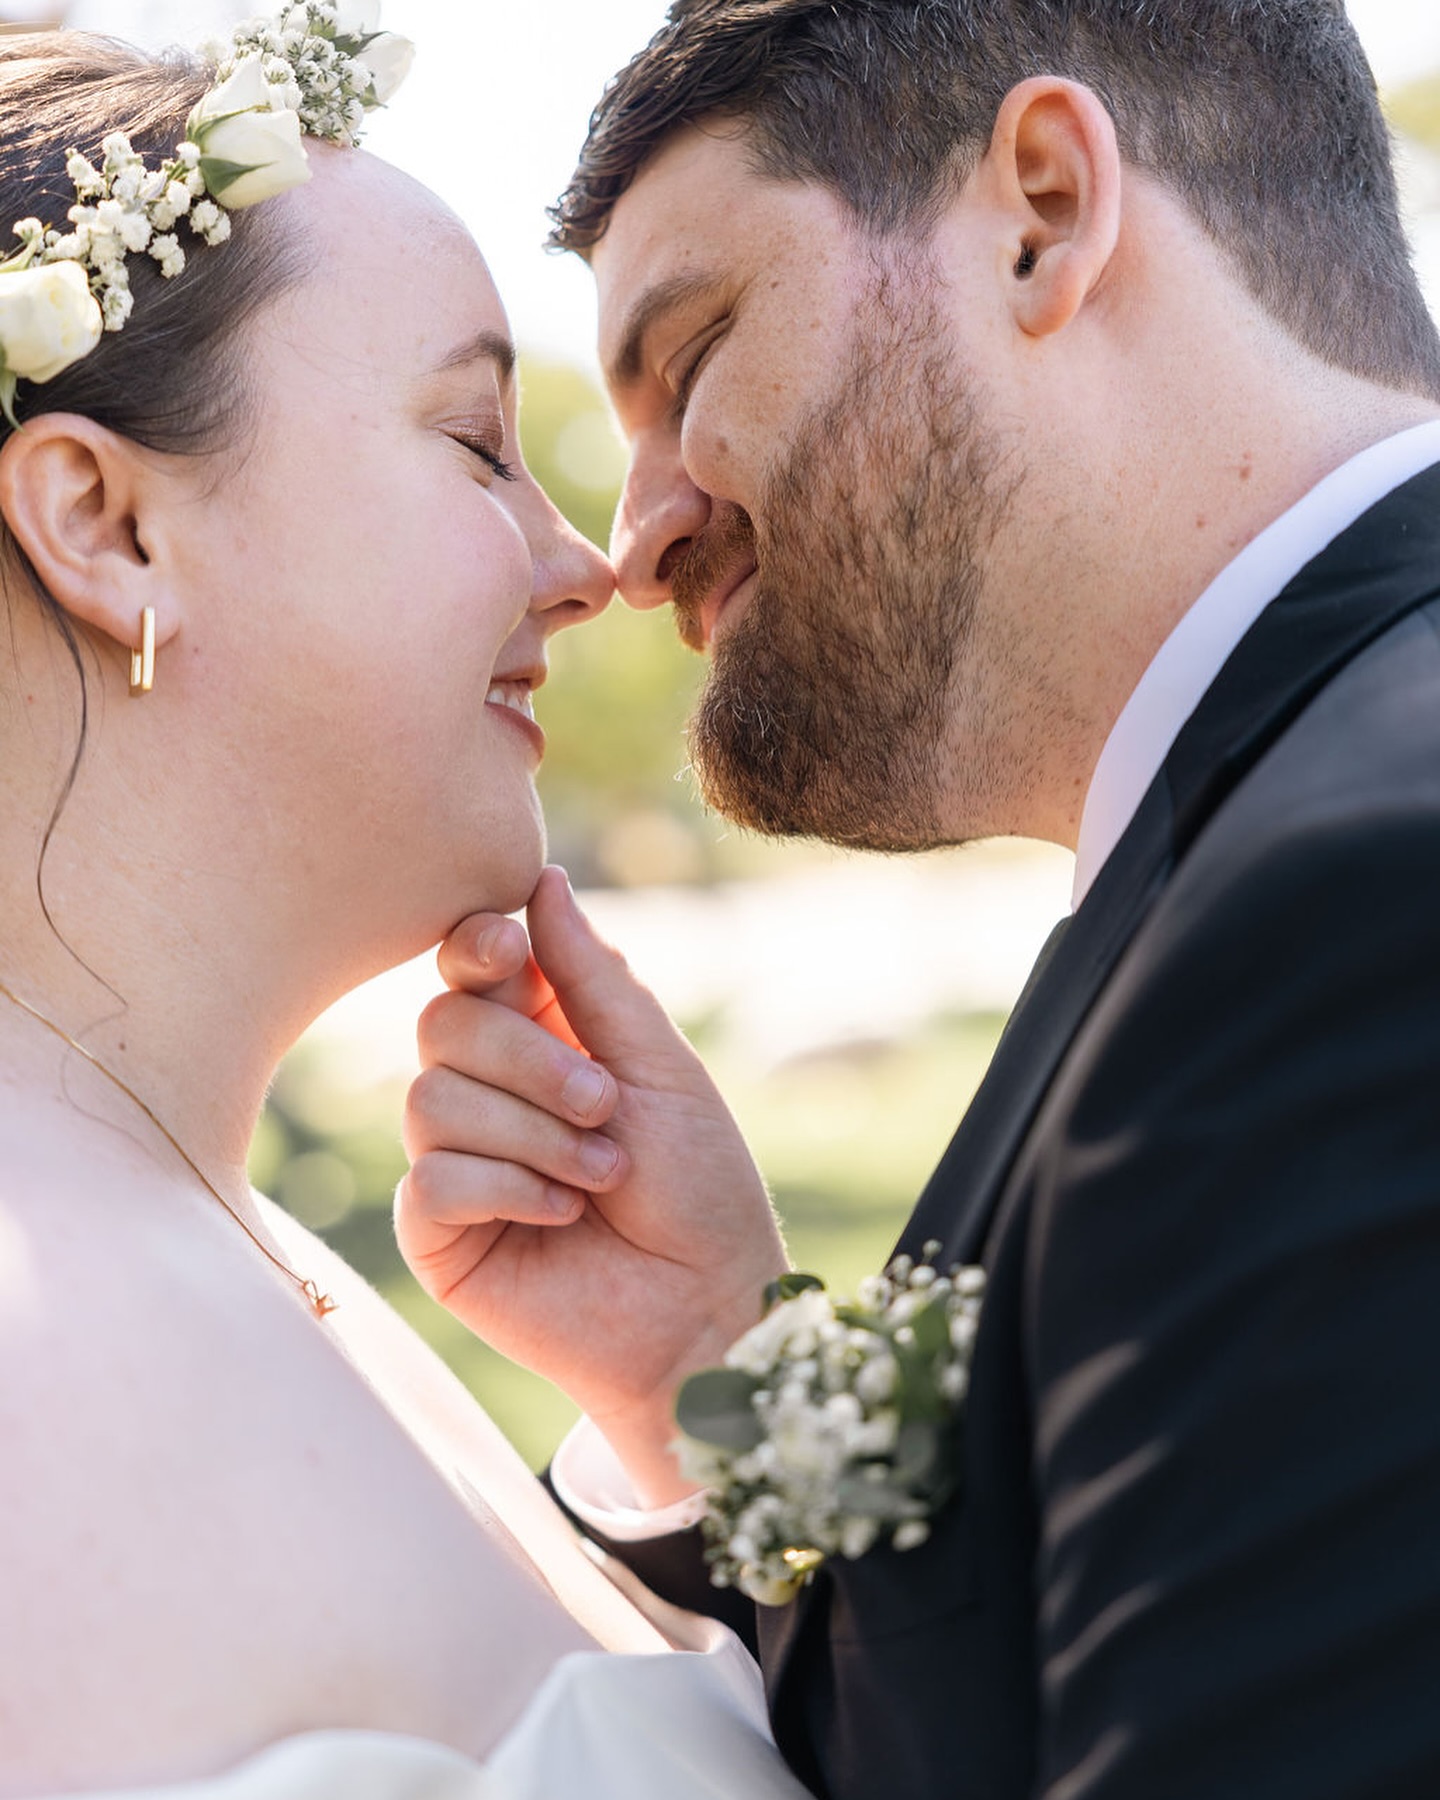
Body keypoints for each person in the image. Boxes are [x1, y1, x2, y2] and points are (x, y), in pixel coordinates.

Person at [396, 3, 1440, 1797]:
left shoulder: (1366, 888)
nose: (630, 544)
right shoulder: (1252, 841)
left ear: (1042, 208)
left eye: (696, 351)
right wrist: (712, 1360)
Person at [0, 14, 815, 1799]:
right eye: (472, 439)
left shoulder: (207, 1230)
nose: (592, 560)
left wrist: (713, 1387)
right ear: (107, 527)